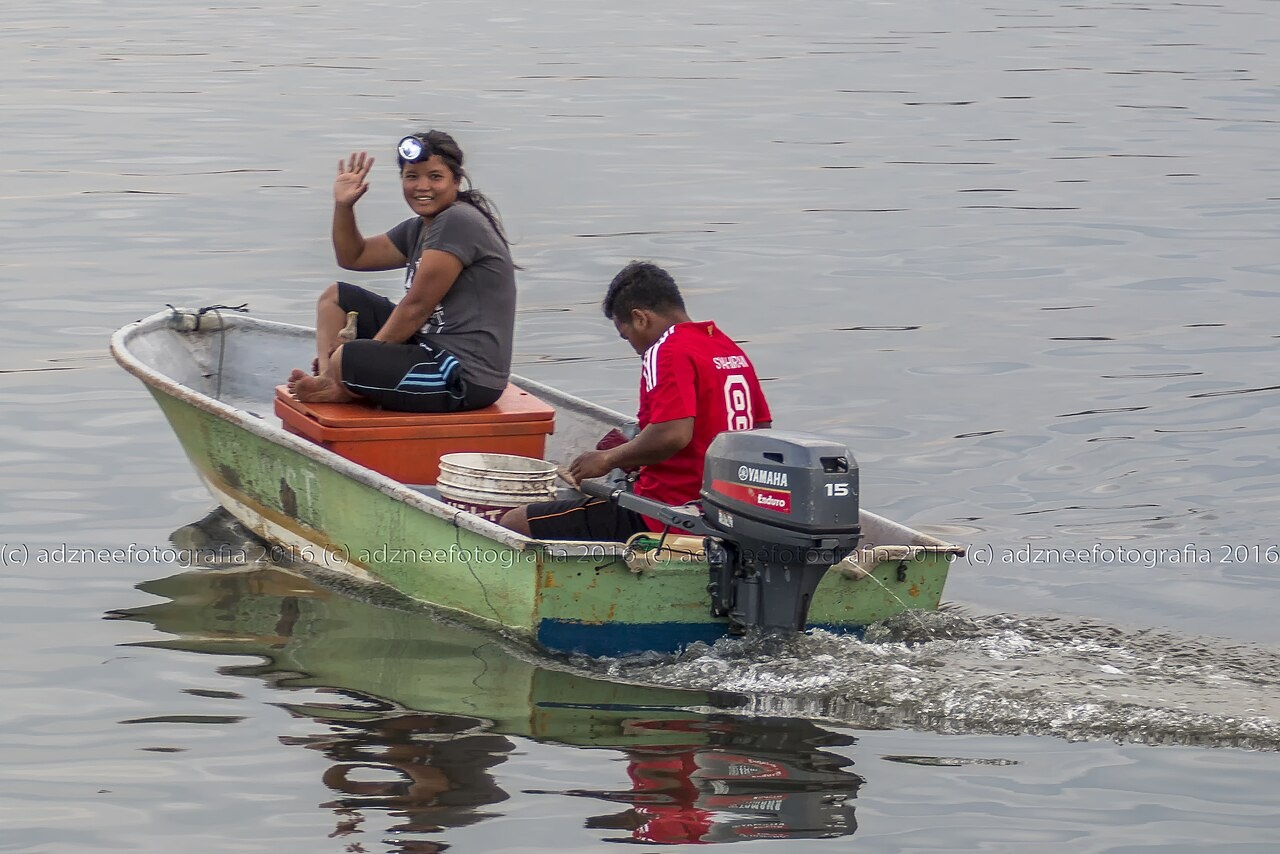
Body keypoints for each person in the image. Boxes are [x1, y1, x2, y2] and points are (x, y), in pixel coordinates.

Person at [501, 261, 771, 541]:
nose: (633, 347)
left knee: (515, 522)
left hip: (667, 514)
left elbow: (673, 434)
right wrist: (636, 454)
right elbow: (762, 430)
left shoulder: (666, 349)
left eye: (626, 335)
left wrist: (607, 458)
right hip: (726, 514)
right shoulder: (726, 348)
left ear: (640, 318)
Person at [286, 130, 516, 412]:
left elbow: (415, 308)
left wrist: (359, 360)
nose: (422, 186)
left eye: (435, 176)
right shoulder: (420, 228)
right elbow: (354, 256)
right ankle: (330, 381)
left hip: (463, 376)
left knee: (346, 358)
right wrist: (343, 206)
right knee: (335, 299)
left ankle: (339, 382)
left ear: (456, 181)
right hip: (426, 347)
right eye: (412, 176)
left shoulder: (457, 221)